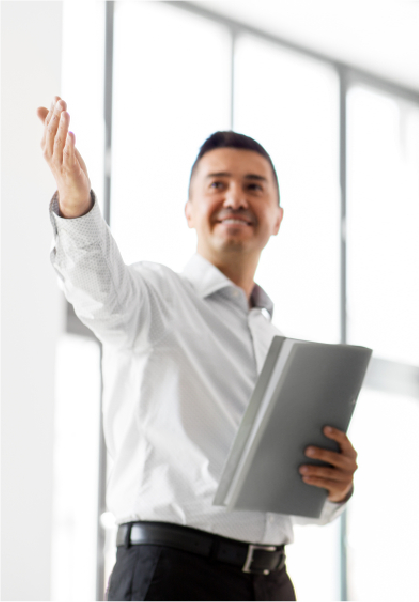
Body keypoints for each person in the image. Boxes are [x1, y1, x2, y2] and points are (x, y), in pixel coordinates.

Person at [39, 97, 358, 602]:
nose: (235, 198)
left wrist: (337, 490)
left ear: (277, 217)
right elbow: (101, 293)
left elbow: (296, 495)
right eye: (217, 185)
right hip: (173, 576)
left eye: (254, 187)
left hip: (272, 582)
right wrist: (77, 204)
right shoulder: (154, 297)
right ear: (189, 211)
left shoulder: (277, 346)